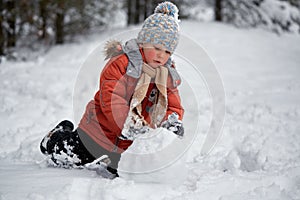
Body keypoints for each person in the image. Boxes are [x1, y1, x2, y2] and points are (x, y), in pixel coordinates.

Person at [39, 1, 184, 179]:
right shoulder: (122, 64)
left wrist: (172, 120)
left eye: (168, 51)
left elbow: (172, 102)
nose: (162, 55)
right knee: (68, 157)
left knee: (123, 172)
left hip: (128, 144)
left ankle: (110, 159)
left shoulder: (165, 75)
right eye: (157, 48)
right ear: (144, 42)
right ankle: (55, 138)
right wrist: (126, 123)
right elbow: (112, 97)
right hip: (98, 132)